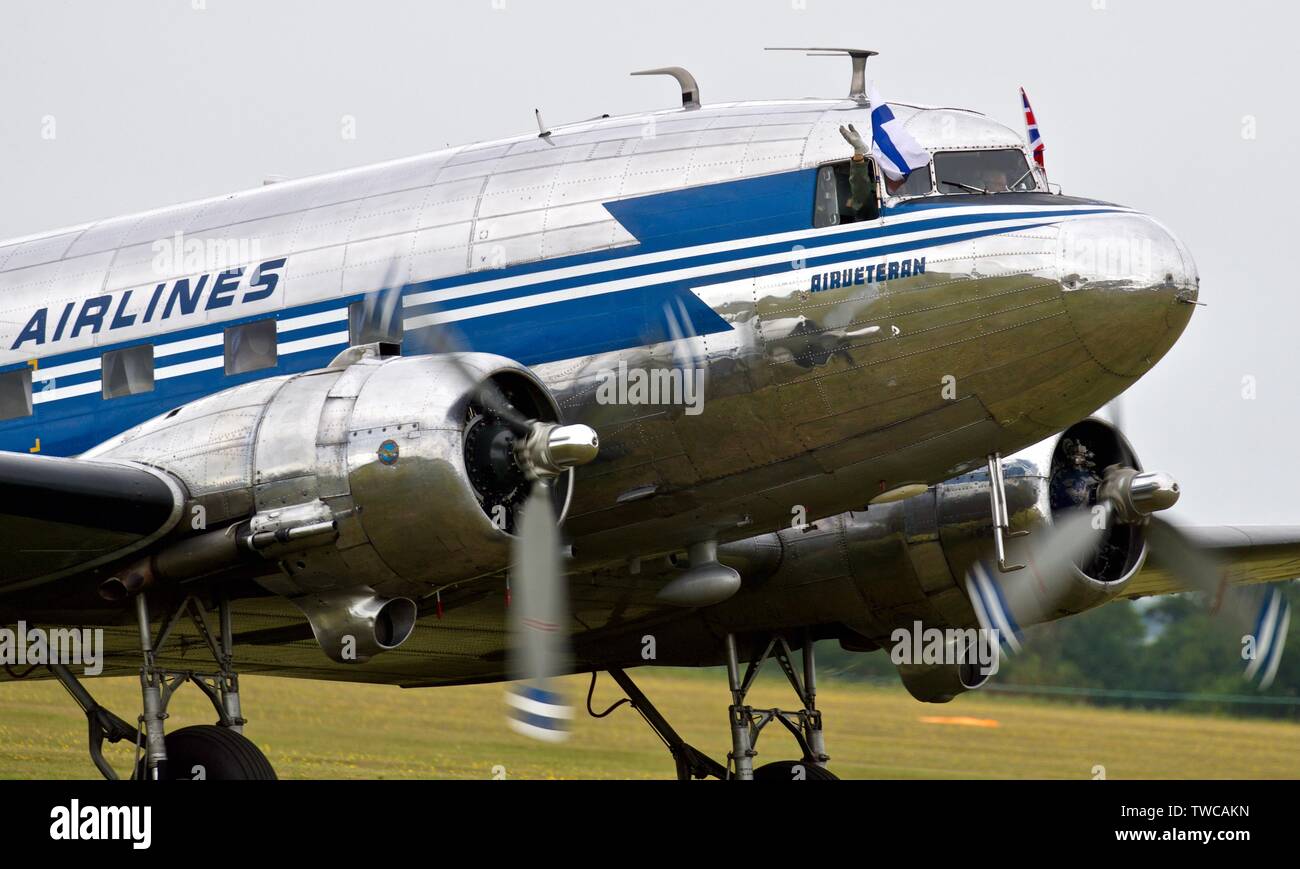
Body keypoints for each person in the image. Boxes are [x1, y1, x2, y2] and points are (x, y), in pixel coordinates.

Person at [838, 124, 877, 217]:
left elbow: (860, 184)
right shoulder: (870, 192)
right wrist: (858, 151)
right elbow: (860, 184)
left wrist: (859, 151)